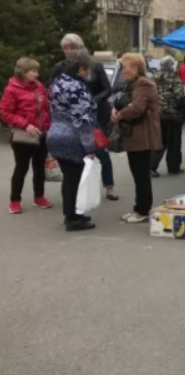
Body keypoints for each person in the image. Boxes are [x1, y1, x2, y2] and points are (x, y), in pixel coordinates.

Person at [52, 34, 117, 201]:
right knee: (75, 152)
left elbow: (107, 89)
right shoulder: (60, 67)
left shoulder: (94, 66)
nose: (68, 51)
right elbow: (52, 89)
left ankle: (109, 186)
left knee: (99, 149)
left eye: (72, 47)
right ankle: (78, 188)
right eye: (65, 48)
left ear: (80, 48)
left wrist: (92, 100)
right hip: (71, 115)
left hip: (96, 114)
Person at [46, 52, 97, 231]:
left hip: (56, 133)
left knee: (69, 177)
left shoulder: (57, 82)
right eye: (87, 69)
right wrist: (90, 146)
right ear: (80, 69)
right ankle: (73, 217)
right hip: (71, 137)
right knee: (74, 178)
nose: (88, 73)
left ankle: (72, 213)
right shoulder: (77, 87)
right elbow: (81, 119)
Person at [111, 53, 161, 224]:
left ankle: (143, 210)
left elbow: (137, 108)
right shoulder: (132, 84)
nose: (123, 70)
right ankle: (139, 207)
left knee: (141, 174)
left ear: (135, 68)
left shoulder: (142, 83)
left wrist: (119, 115)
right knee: (138, 173)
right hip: (136, 135)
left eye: (125, 67)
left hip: (142, 135)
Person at [1, 57, 53, 214]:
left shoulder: (39, 87)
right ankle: (15, 201)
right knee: (21, 168)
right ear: (23, 73)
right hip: (23, 135)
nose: (37, 74)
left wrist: (49, 126)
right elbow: (4, 112)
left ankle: (39, 196)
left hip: (42, 133)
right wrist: (25, 124)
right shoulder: (11, 89)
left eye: (37, 71)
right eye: (33, 71)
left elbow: (46, 109)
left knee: (39, 167)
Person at [151, 55, 185, 177]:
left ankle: (151, 167)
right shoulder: (174, 79)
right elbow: (180, 97)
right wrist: (183, 109)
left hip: (158, 114)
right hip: (173, 114)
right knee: (174, 142)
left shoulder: (154, 78)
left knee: (160, 141)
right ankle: (174, 167)